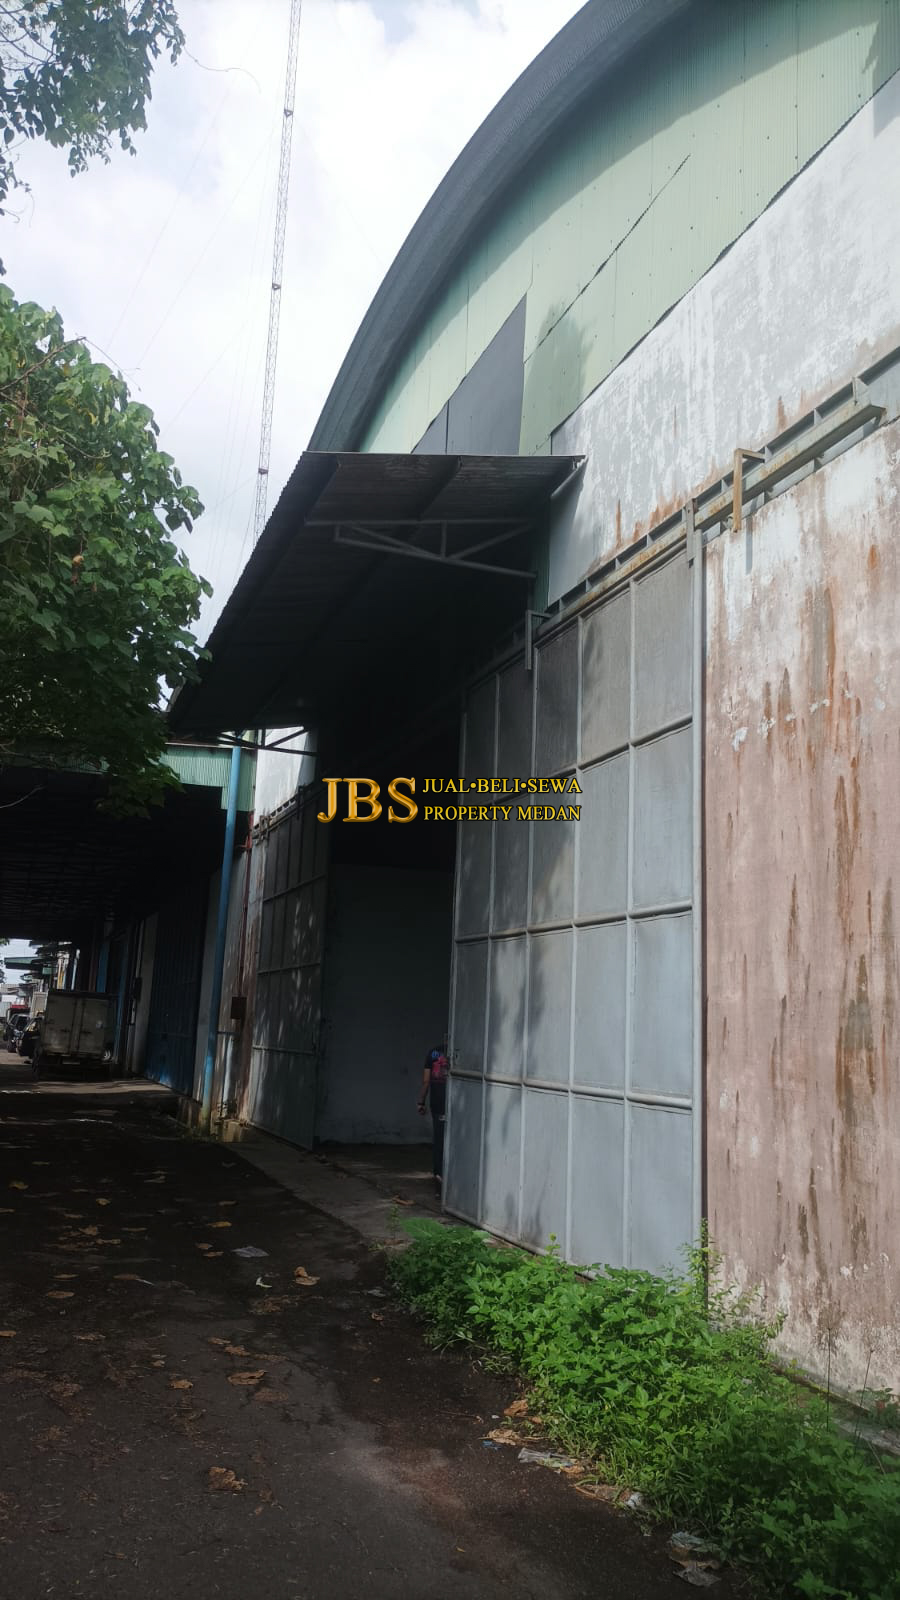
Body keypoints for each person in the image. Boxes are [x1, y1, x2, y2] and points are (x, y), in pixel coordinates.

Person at [417, 1043, 449, 1183]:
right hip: (455, 1104)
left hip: (438, 1104)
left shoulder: (433, 1052)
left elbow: (426, 1081)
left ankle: (438, 1175)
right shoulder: (460, 1051)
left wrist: (421, 1102)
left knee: (439, 1139)